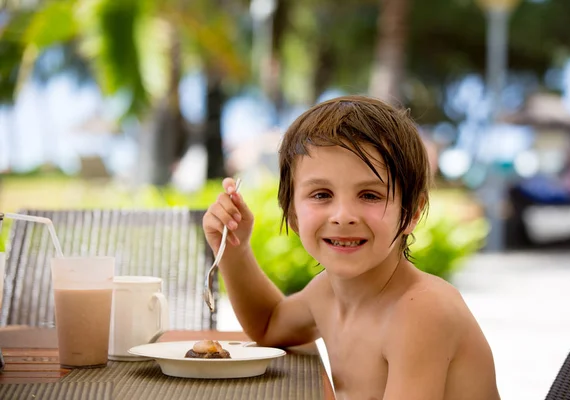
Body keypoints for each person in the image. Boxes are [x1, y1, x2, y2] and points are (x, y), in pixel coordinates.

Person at [203, 95, 500, 400]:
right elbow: (268, 326)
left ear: (410, 212)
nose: (343, 216)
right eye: (321, 194)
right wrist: (235, 249)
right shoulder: (326, 294)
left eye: (370, 195)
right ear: (292, 214)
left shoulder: (421, 312)